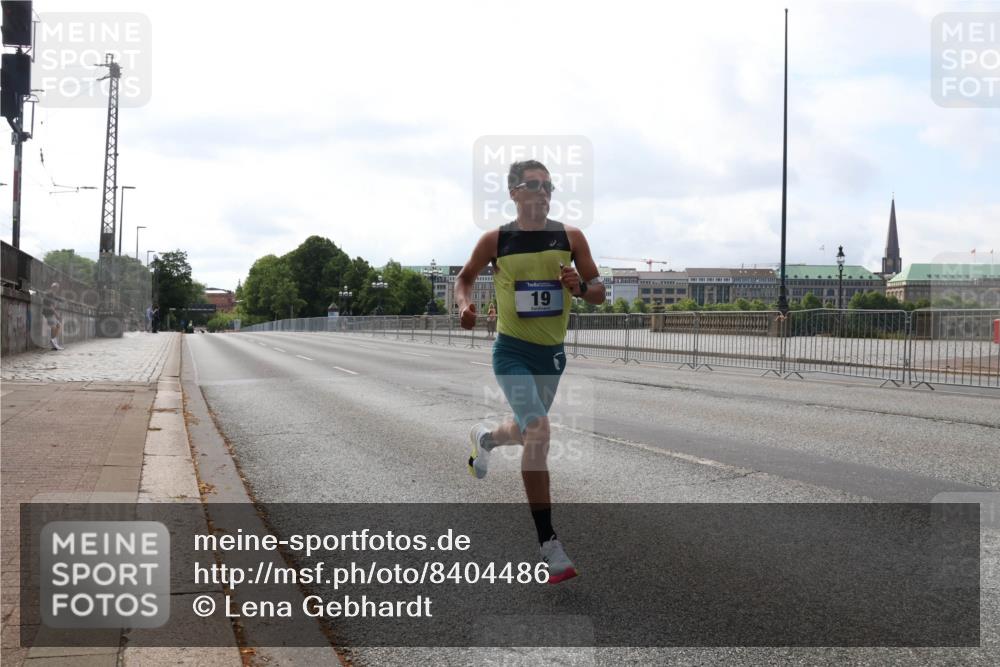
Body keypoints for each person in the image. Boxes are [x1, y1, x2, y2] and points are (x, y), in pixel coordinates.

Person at [456, 159, 605, 584]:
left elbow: (598, 291)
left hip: (551, 356)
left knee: (525, 431)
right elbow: (464, 278)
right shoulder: (496, 240)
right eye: (533, 184)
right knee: (539, 430)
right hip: (511, 352)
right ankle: (549, 545)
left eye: (548, 185)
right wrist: (464, 306)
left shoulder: (571, 237)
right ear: (514, 193)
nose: (542, 191)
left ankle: (485, 438)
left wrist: (580, 286)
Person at [41, 282, 64, 350]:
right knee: (54, 326)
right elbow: (50, 306)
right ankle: (54, 342)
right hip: (48, 313)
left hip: (50, 313)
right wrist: (56, 314)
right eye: (56, 288)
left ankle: (54, 342)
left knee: (58, 325)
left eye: (57, 288)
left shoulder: (52, 294)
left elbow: (53, 304)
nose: (57, 289)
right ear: (53, 287)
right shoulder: (50, 294)